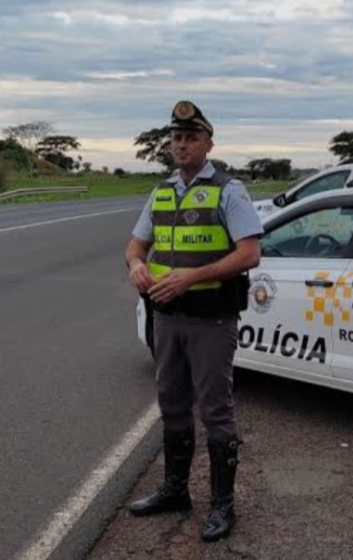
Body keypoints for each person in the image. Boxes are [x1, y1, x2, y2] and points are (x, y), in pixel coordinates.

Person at [124, 100, 262, 542]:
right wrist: (136, 268)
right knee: (171, 402)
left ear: (208, 144)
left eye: (191, 138)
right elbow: (135, 247)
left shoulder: (228, 190)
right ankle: (174, 490)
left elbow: (249, 252)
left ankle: (223, 505)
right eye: (176, 138)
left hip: (210, 320)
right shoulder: (161, 191)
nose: (181, 145)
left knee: (216, 410)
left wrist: (192, 278)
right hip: (166, 318)